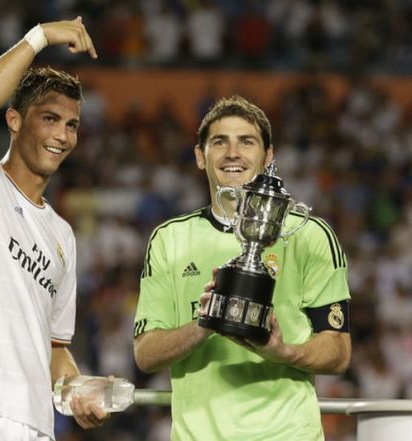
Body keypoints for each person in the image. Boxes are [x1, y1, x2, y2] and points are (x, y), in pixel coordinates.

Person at [133, 95, 351, 441]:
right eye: (220, 142)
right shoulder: (169, 239)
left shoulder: (309, 234)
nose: (233, 153)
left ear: (268, 157)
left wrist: (283, 350)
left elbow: (338, 352)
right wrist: (207, 322)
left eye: (246, 142)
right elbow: (146, 354)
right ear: (200, 157)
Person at [0, 17, 108, 440]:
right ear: (14, 119)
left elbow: (54, 349)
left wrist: (76, 390)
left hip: (35, 425)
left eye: (71, 125)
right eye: (49, 119)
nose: (62, 136)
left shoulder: (62, 235)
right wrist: (40, 37)